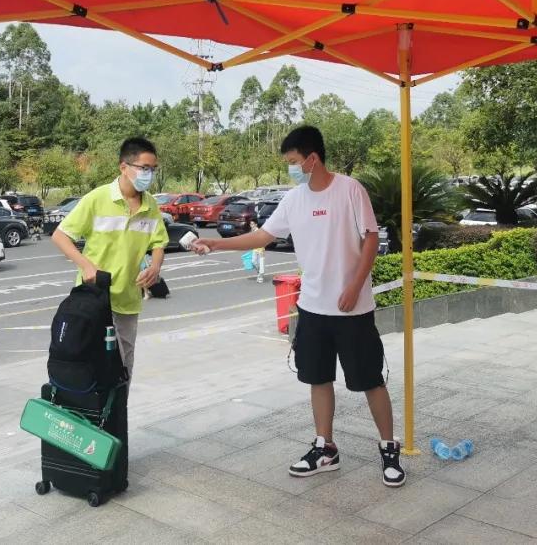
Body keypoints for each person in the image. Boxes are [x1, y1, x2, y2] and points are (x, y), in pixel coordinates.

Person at [193, 125, 406, 488]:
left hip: (352, 309)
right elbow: (264, 235)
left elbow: (371, 237)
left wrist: (355, 286)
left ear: (312, 158)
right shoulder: (294, 200)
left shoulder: (350, 190)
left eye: (293, 162)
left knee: (370, 379)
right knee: (317, 378)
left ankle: (389, 448)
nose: (291, 168)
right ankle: (325, 448)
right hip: (312, 307)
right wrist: (216, 245)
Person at [51, 137, 168, 378]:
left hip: (127, 301)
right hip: (92, 299)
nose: (149, 174)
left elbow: (158, 243)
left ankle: (116, 417)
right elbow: (60, 236)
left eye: (153, 169)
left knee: (122, 370)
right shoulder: (98, 198)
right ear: (123, 167)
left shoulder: (151, 205)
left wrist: (155, 266)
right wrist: (85, 265)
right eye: (144, 168)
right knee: (88, 367)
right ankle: (89, 416)